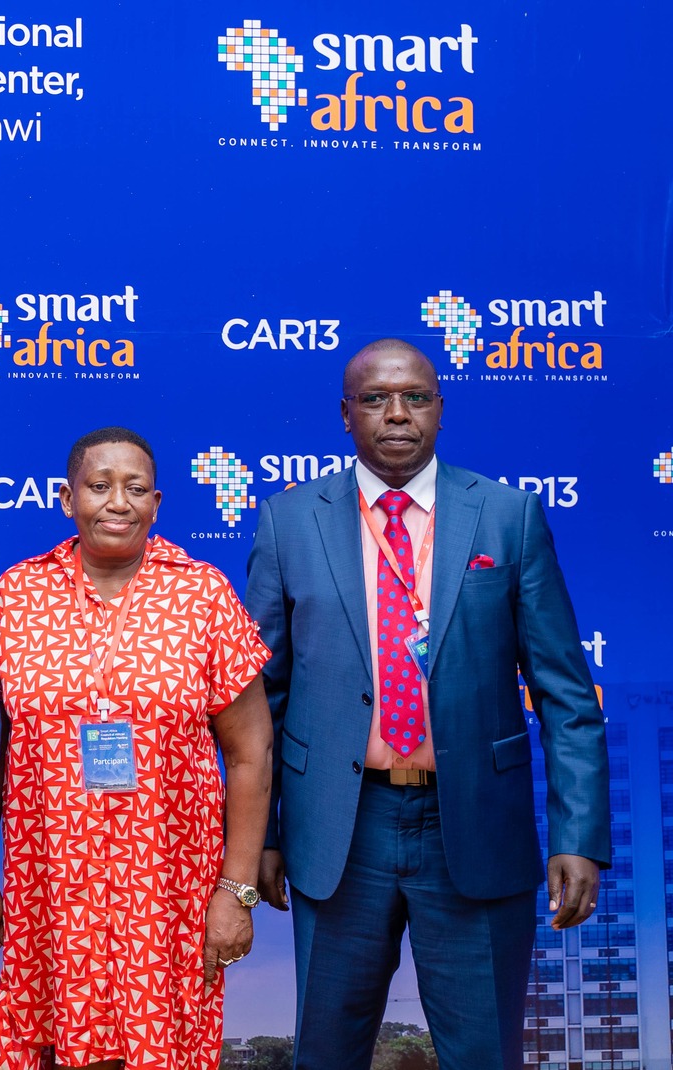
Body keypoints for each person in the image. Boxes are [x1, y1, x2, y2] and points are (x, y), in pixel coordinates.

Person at [246, 339, 609, 1070]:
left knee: (484, 1052)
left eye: (415, 396)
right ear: (345, 415)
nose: (397, 414)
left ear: (441, 409)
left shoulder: (509, 517)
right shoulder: (289, 522)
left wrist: (579, 836)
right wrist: (267, 833)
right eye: (375, 399)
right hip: (341, 832)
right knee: (326, 1053)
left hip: (472, 821)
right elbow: (263, 700)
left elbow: (566, 693)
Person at [0, 426, 274, 1070]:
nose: (117, 503)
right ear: (66, 496)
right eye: (99, 486)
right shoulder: (16, 597)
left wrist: (236, 891)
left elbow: (251, 753)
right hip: (49, 895)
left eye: (135, 489)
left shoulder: (203, 594)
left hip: (170, 897)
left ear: (157, 503)